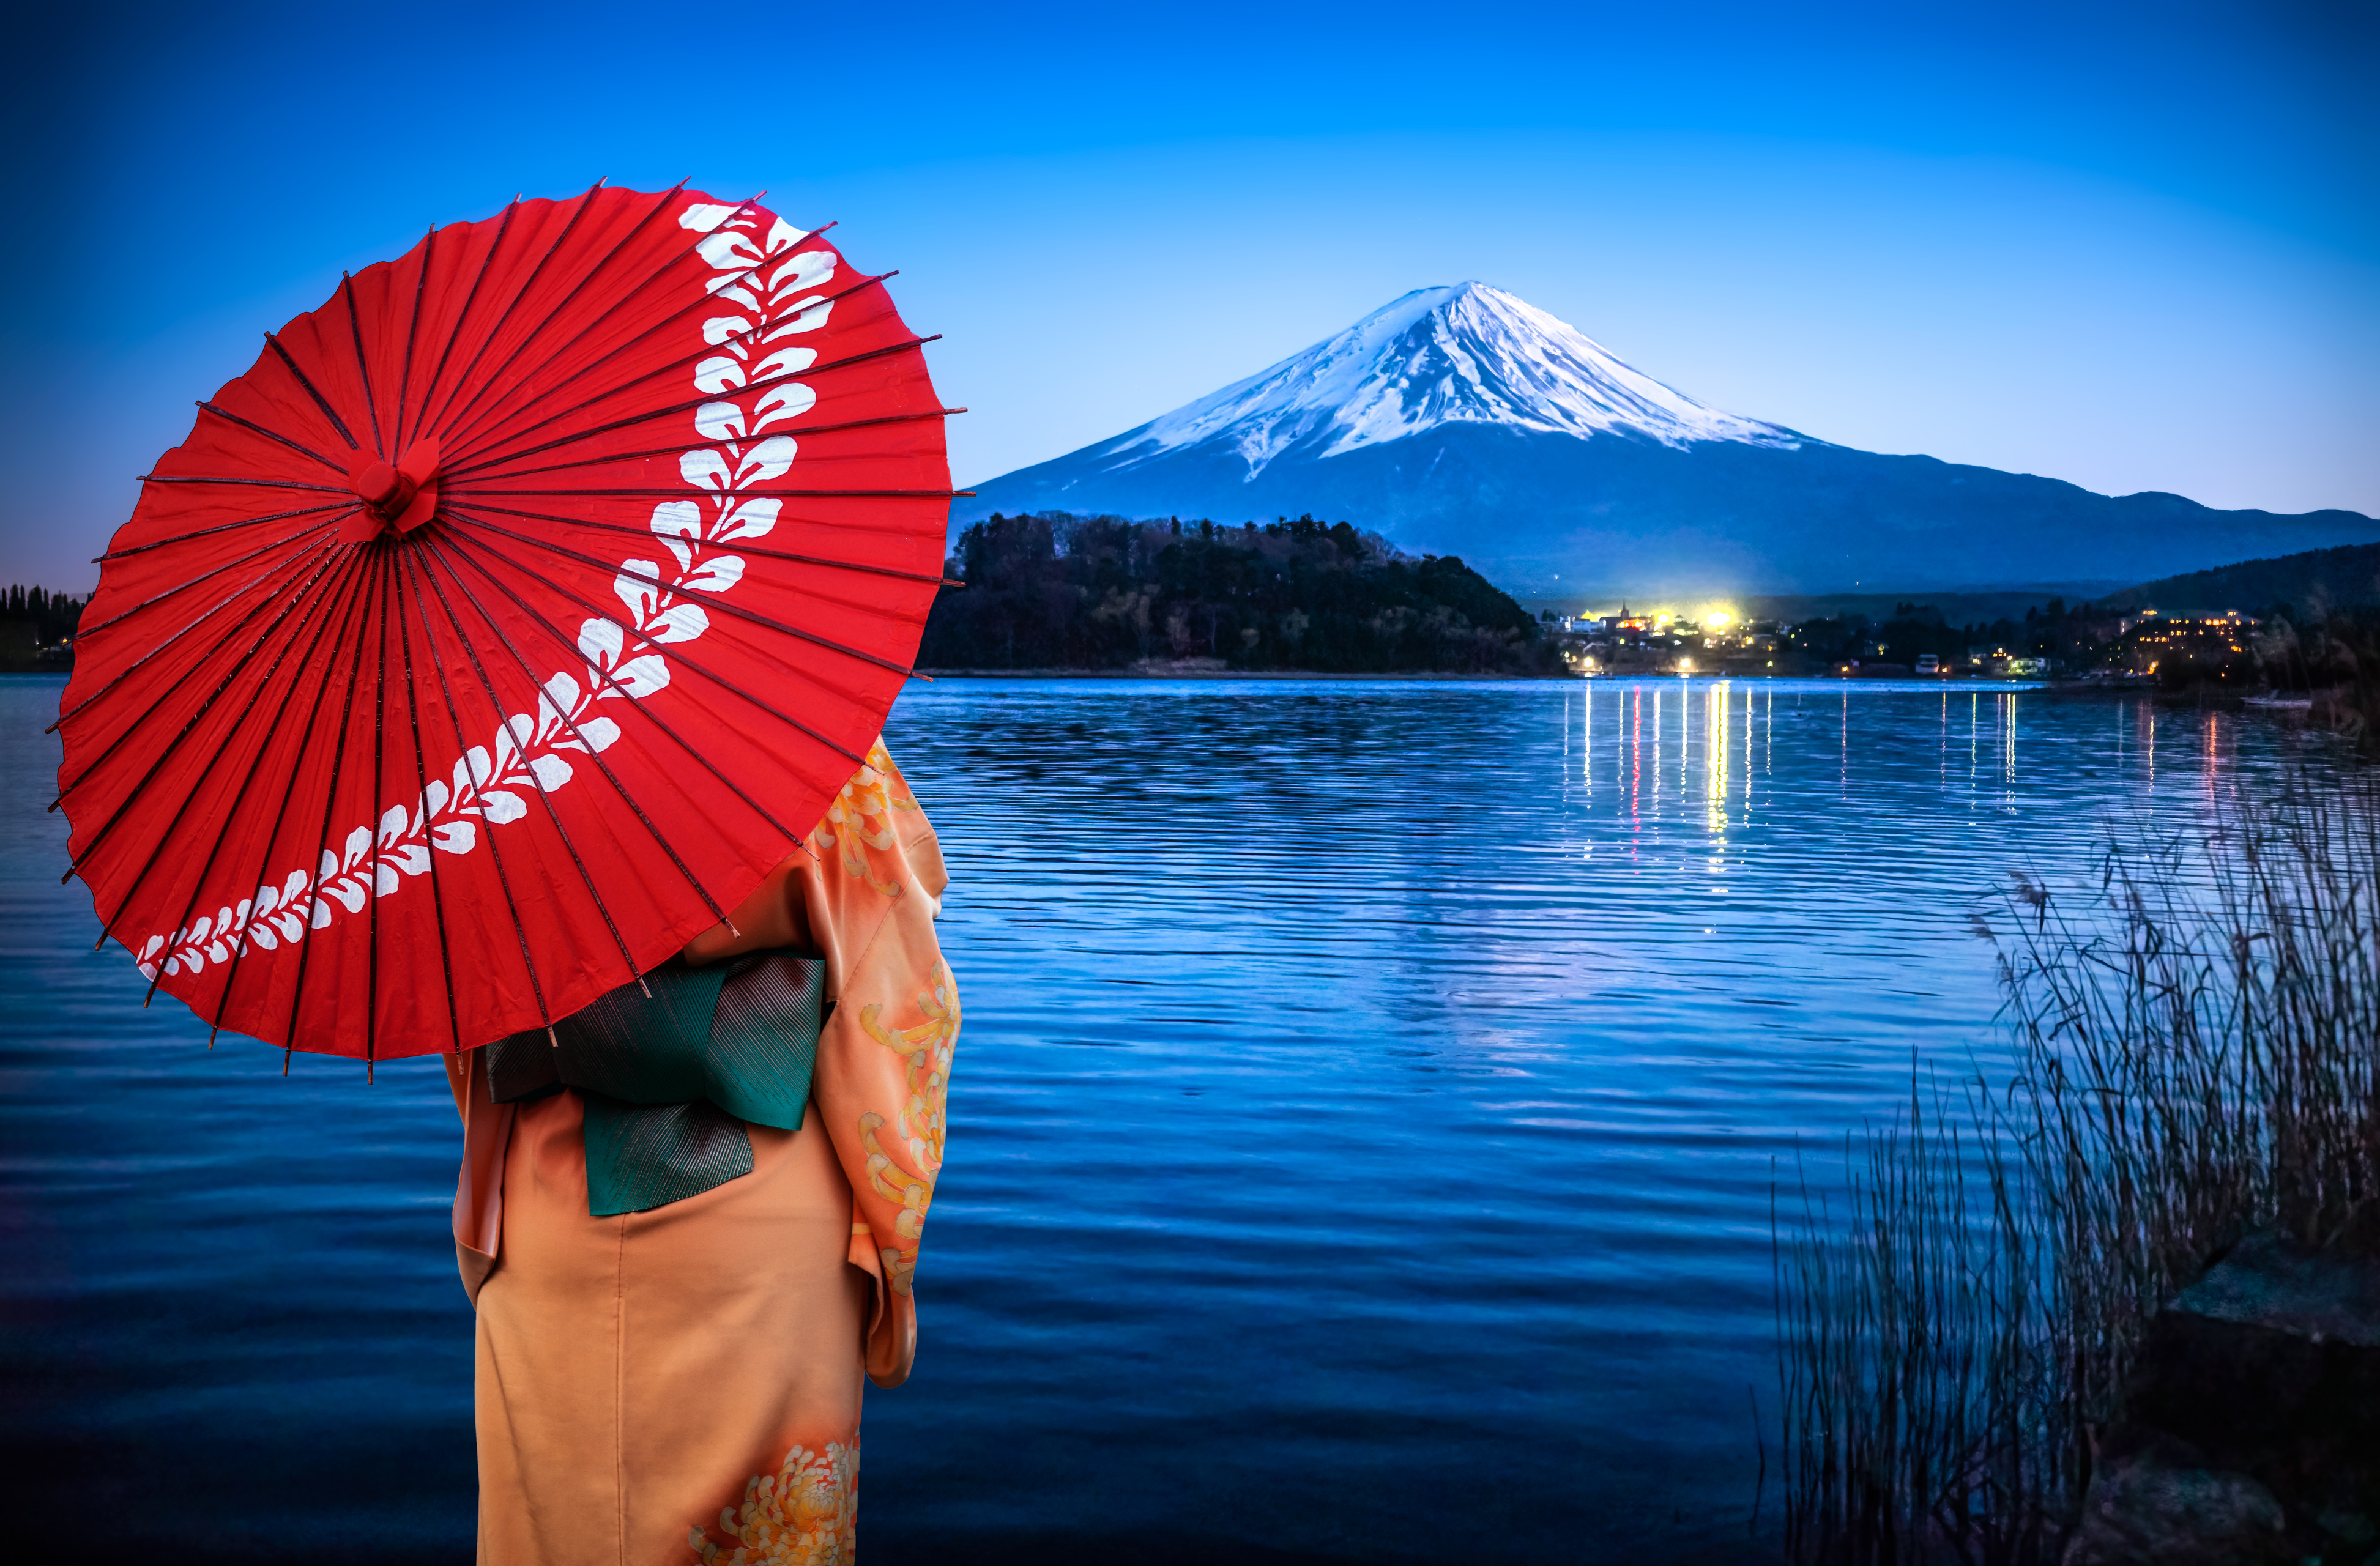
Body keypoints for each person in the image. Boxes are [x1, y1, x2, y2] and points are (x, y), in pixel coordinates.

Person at [441, 740, 958, 1564]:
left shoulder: (479, 763)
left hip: (550, 1204)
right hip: (760, 1210)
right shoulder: (783, 722)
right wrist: (884, 1255)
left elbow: (461, 1008)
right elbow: (889, 990)